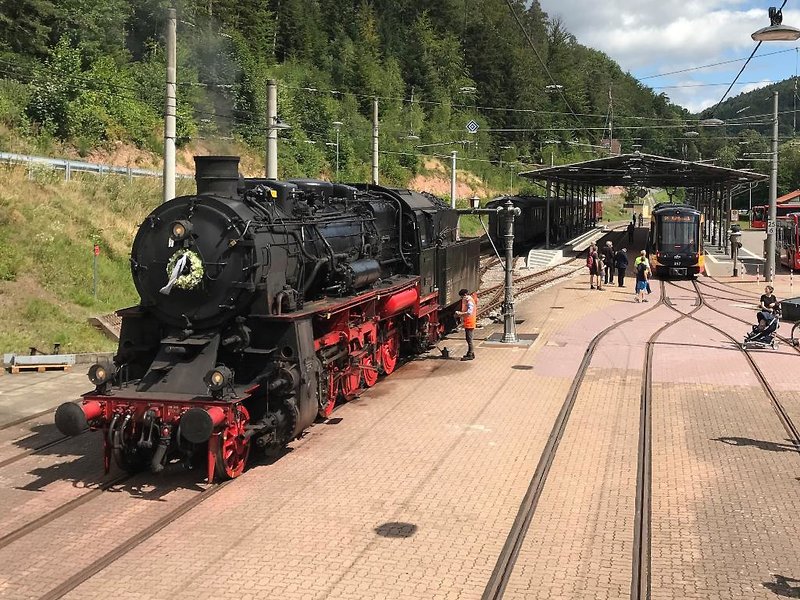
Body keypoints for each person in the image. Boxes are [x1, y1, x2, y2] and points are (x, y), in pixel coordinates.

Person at [455, 288, 477, 361]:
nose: (462, 298)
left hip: (470, 322)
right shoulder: (470, 300)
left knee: (469, 339)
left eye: (462, 296)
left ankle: (471, 354)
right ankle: (470, 353)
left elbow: (469, 312)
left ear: (464, 295)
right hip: (469, 322)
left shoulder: (469, 301)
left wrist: (460, 314)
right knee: (469, 339)